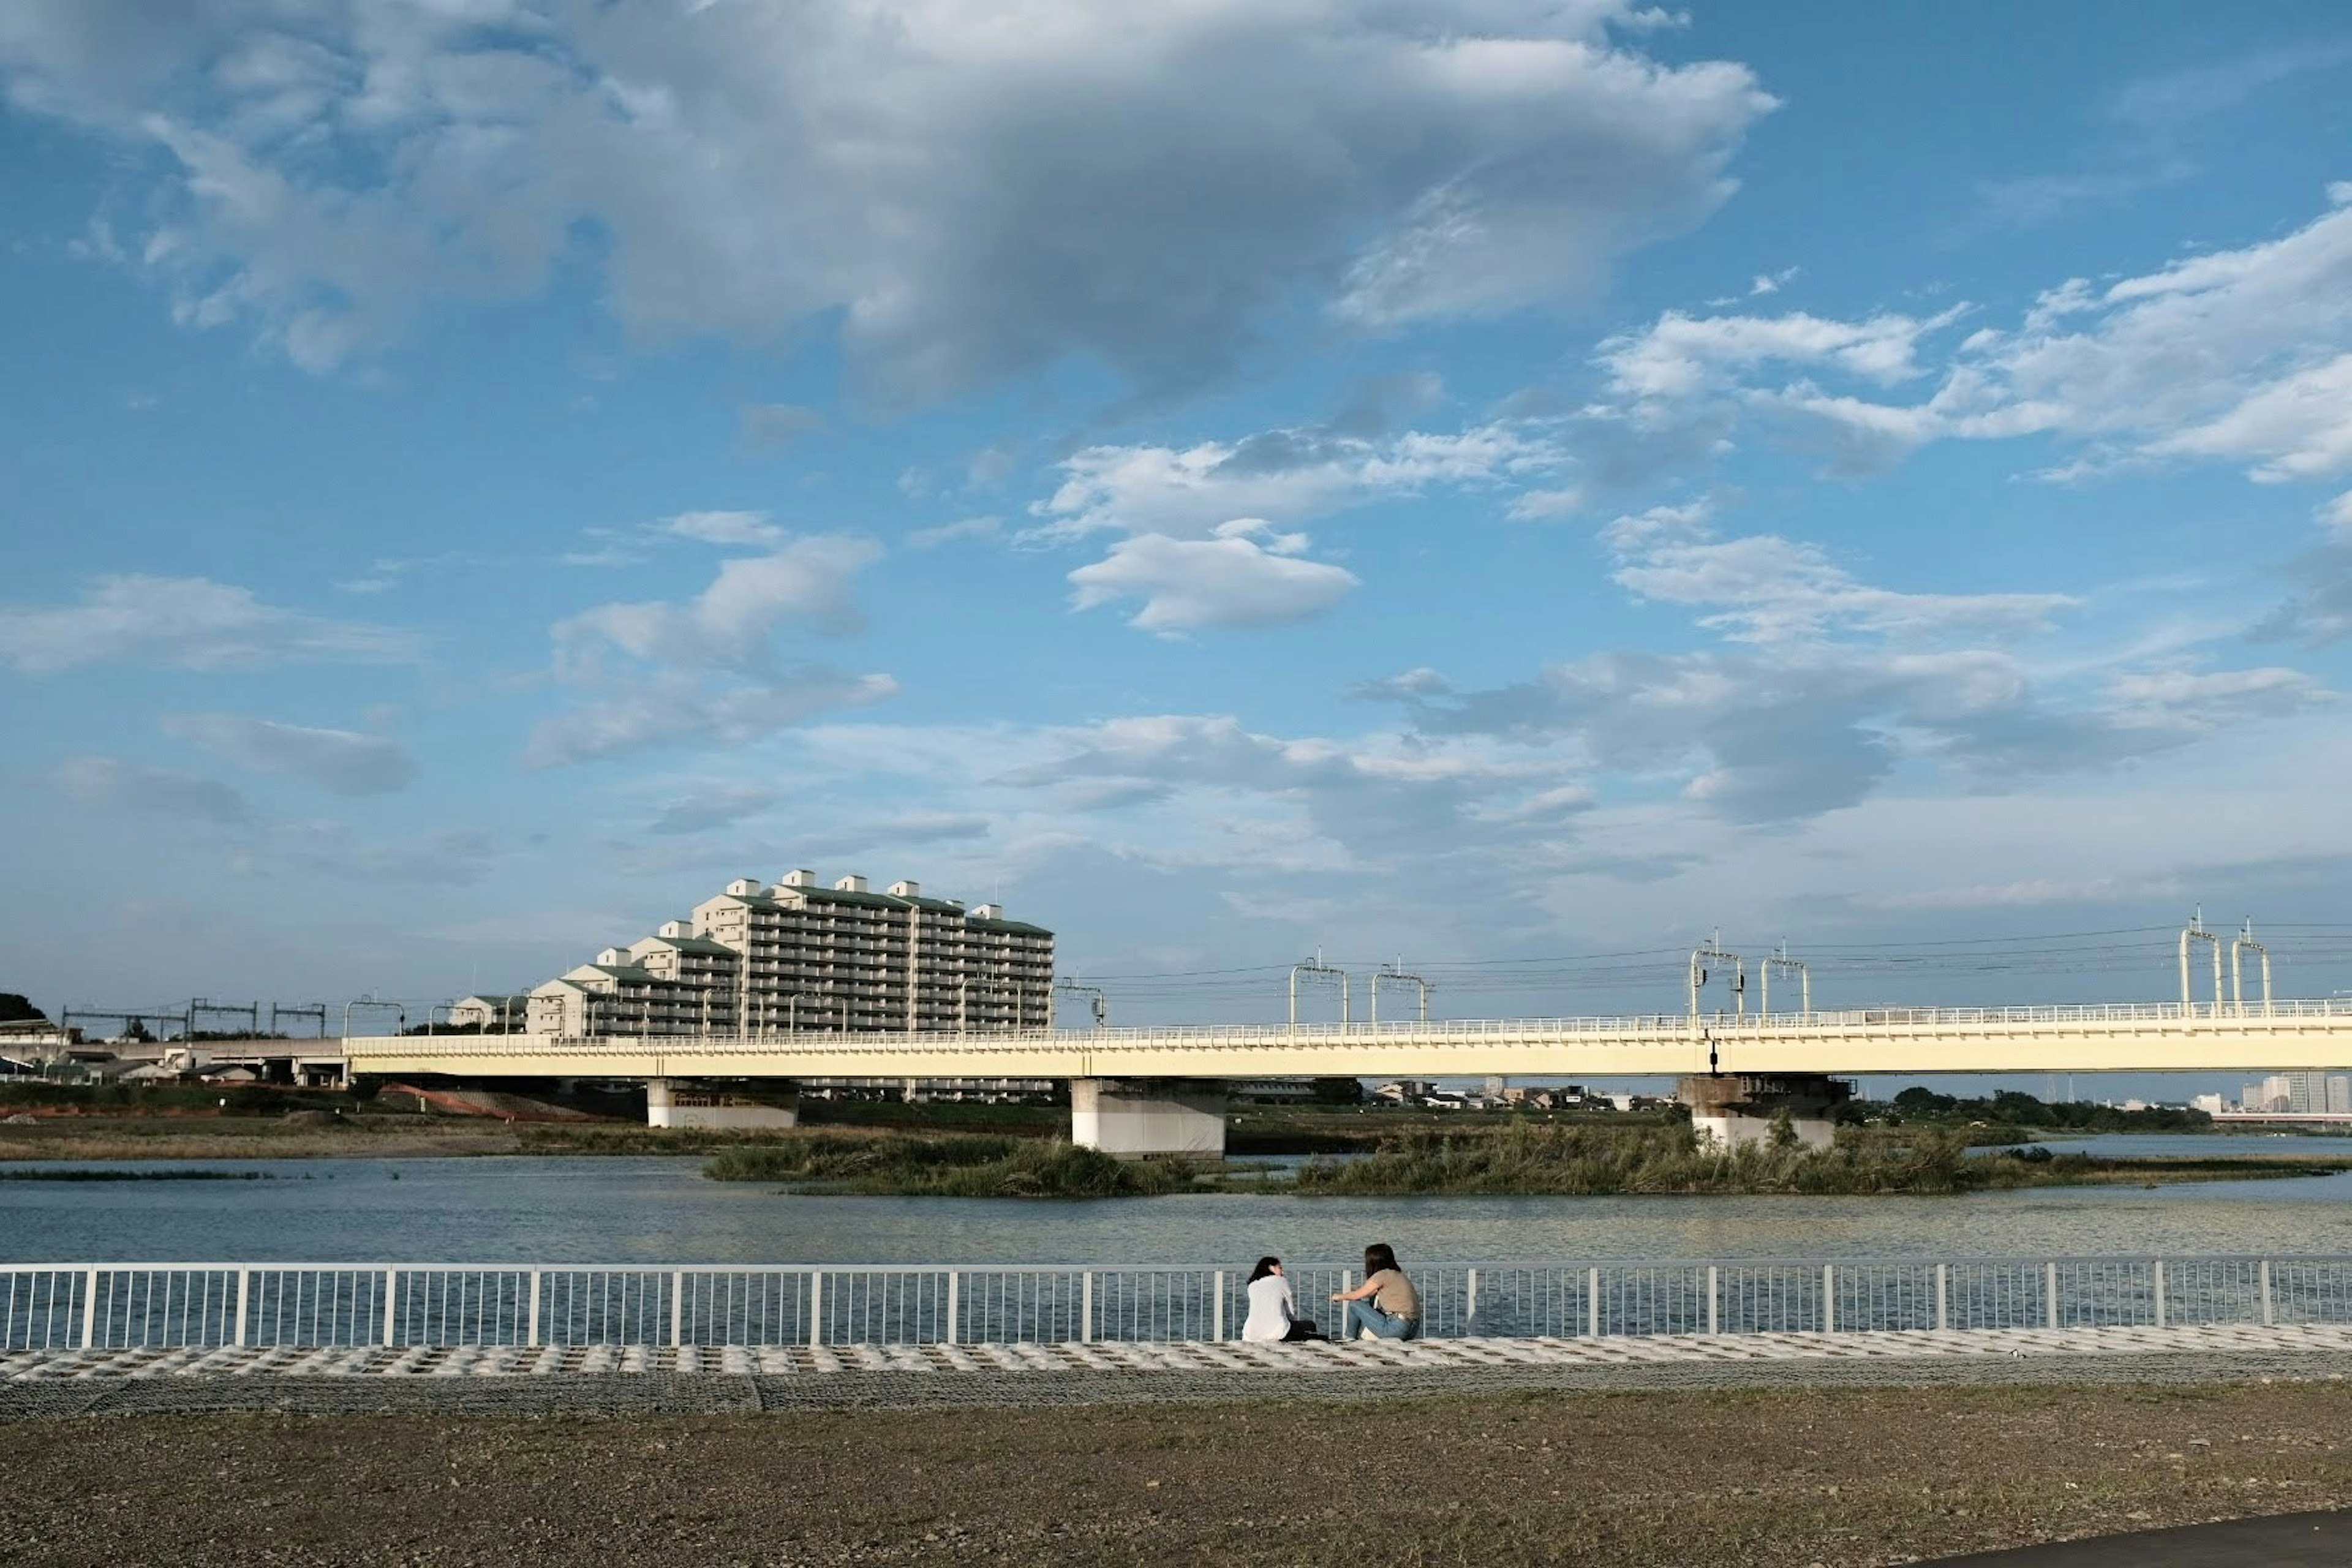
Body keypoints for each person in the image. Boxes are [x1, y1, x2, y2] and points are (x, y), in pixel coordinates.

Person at [1330, 1242, 1421, 1341]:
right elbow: (1369, 1293)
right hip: (1413, 1329)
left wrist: (1338, 1297)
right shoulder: (1399, 1274)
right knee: (1366, 1304)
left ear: (1373, 1262)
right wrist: (1356, 1291)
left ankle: (1349, 1339)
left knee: (1354, 1305)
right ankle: (1358, 1338)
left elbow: (1357, 1296)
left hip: (1396, 1329)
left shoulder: (1382, 1275)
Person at [1241, 1256, 1322, 1341]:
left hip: (1251, 1333)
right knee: (1310, 1325)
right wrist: (1292, 1320)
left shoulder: (1252, 1285)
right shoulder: (1281, 1281)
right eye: (1280, 1268)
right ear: (1271, 1268)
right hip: (1278, 1332)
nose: (1282, 1272)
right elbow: (1290, 1310)